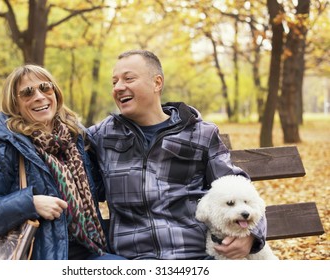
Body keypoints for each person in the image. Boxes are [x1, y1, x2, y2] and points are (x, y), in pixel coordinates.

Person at [87, 50, 267, 260]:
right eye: (114, 81)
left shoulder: (200, 133)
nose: (118, 87)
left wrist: (252, 235)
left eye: (128, 78)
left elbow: (239, 186)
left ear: (157, 83)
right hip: (134, 259)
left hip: (196, 256)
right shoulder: (102, 136)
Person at [0, 64, 125, 260]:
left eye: (45, 88)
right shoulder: (4, 148)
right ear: (14, 104)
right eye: (27, 92)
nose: (39, 96)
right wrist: (29, 203)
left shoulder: (76, 140)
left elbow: (101, 189)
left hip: (91, 250)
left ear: (55, 93)